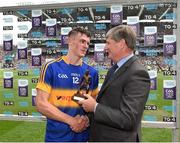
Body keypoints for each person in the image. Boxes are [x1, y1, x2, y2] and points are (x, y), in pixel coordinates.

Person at [79, 25, 150, 142]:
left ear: (121, 44)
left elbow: (129, 119)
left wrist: (95, 107)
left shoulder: (137, 73)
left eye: (108, 43)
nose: (105, 48)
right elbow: (107, 104)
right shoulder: (114, 69)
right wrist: (87, 118)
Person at [36, 27, 99, 142]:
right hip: (56, 138)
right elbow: (41, 104)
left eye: (88, 43)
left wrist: (87, 120)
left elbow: (93, 107)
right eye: (82, 41)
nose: (86, 46)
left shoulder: (91, 72)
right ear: (69, 41)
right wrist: (71, 120)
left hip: (82, 137)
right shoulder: (51, 67)